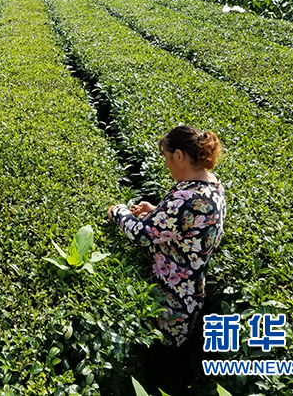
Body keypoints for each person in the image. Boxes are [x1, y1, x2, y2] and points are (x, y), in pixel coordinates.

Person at [107, 125, 226, 394]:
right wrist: (156, 210)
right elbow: (184, 225)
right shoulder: (212, 184)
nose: (167, 164)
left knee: (163, 367)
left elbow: (140, 235)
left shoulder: (185, 198)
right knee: (176, 358)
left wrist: (119, 211)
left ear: (180, 156)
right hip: (192, 295)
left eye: (167, 157)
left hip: (170, 302)